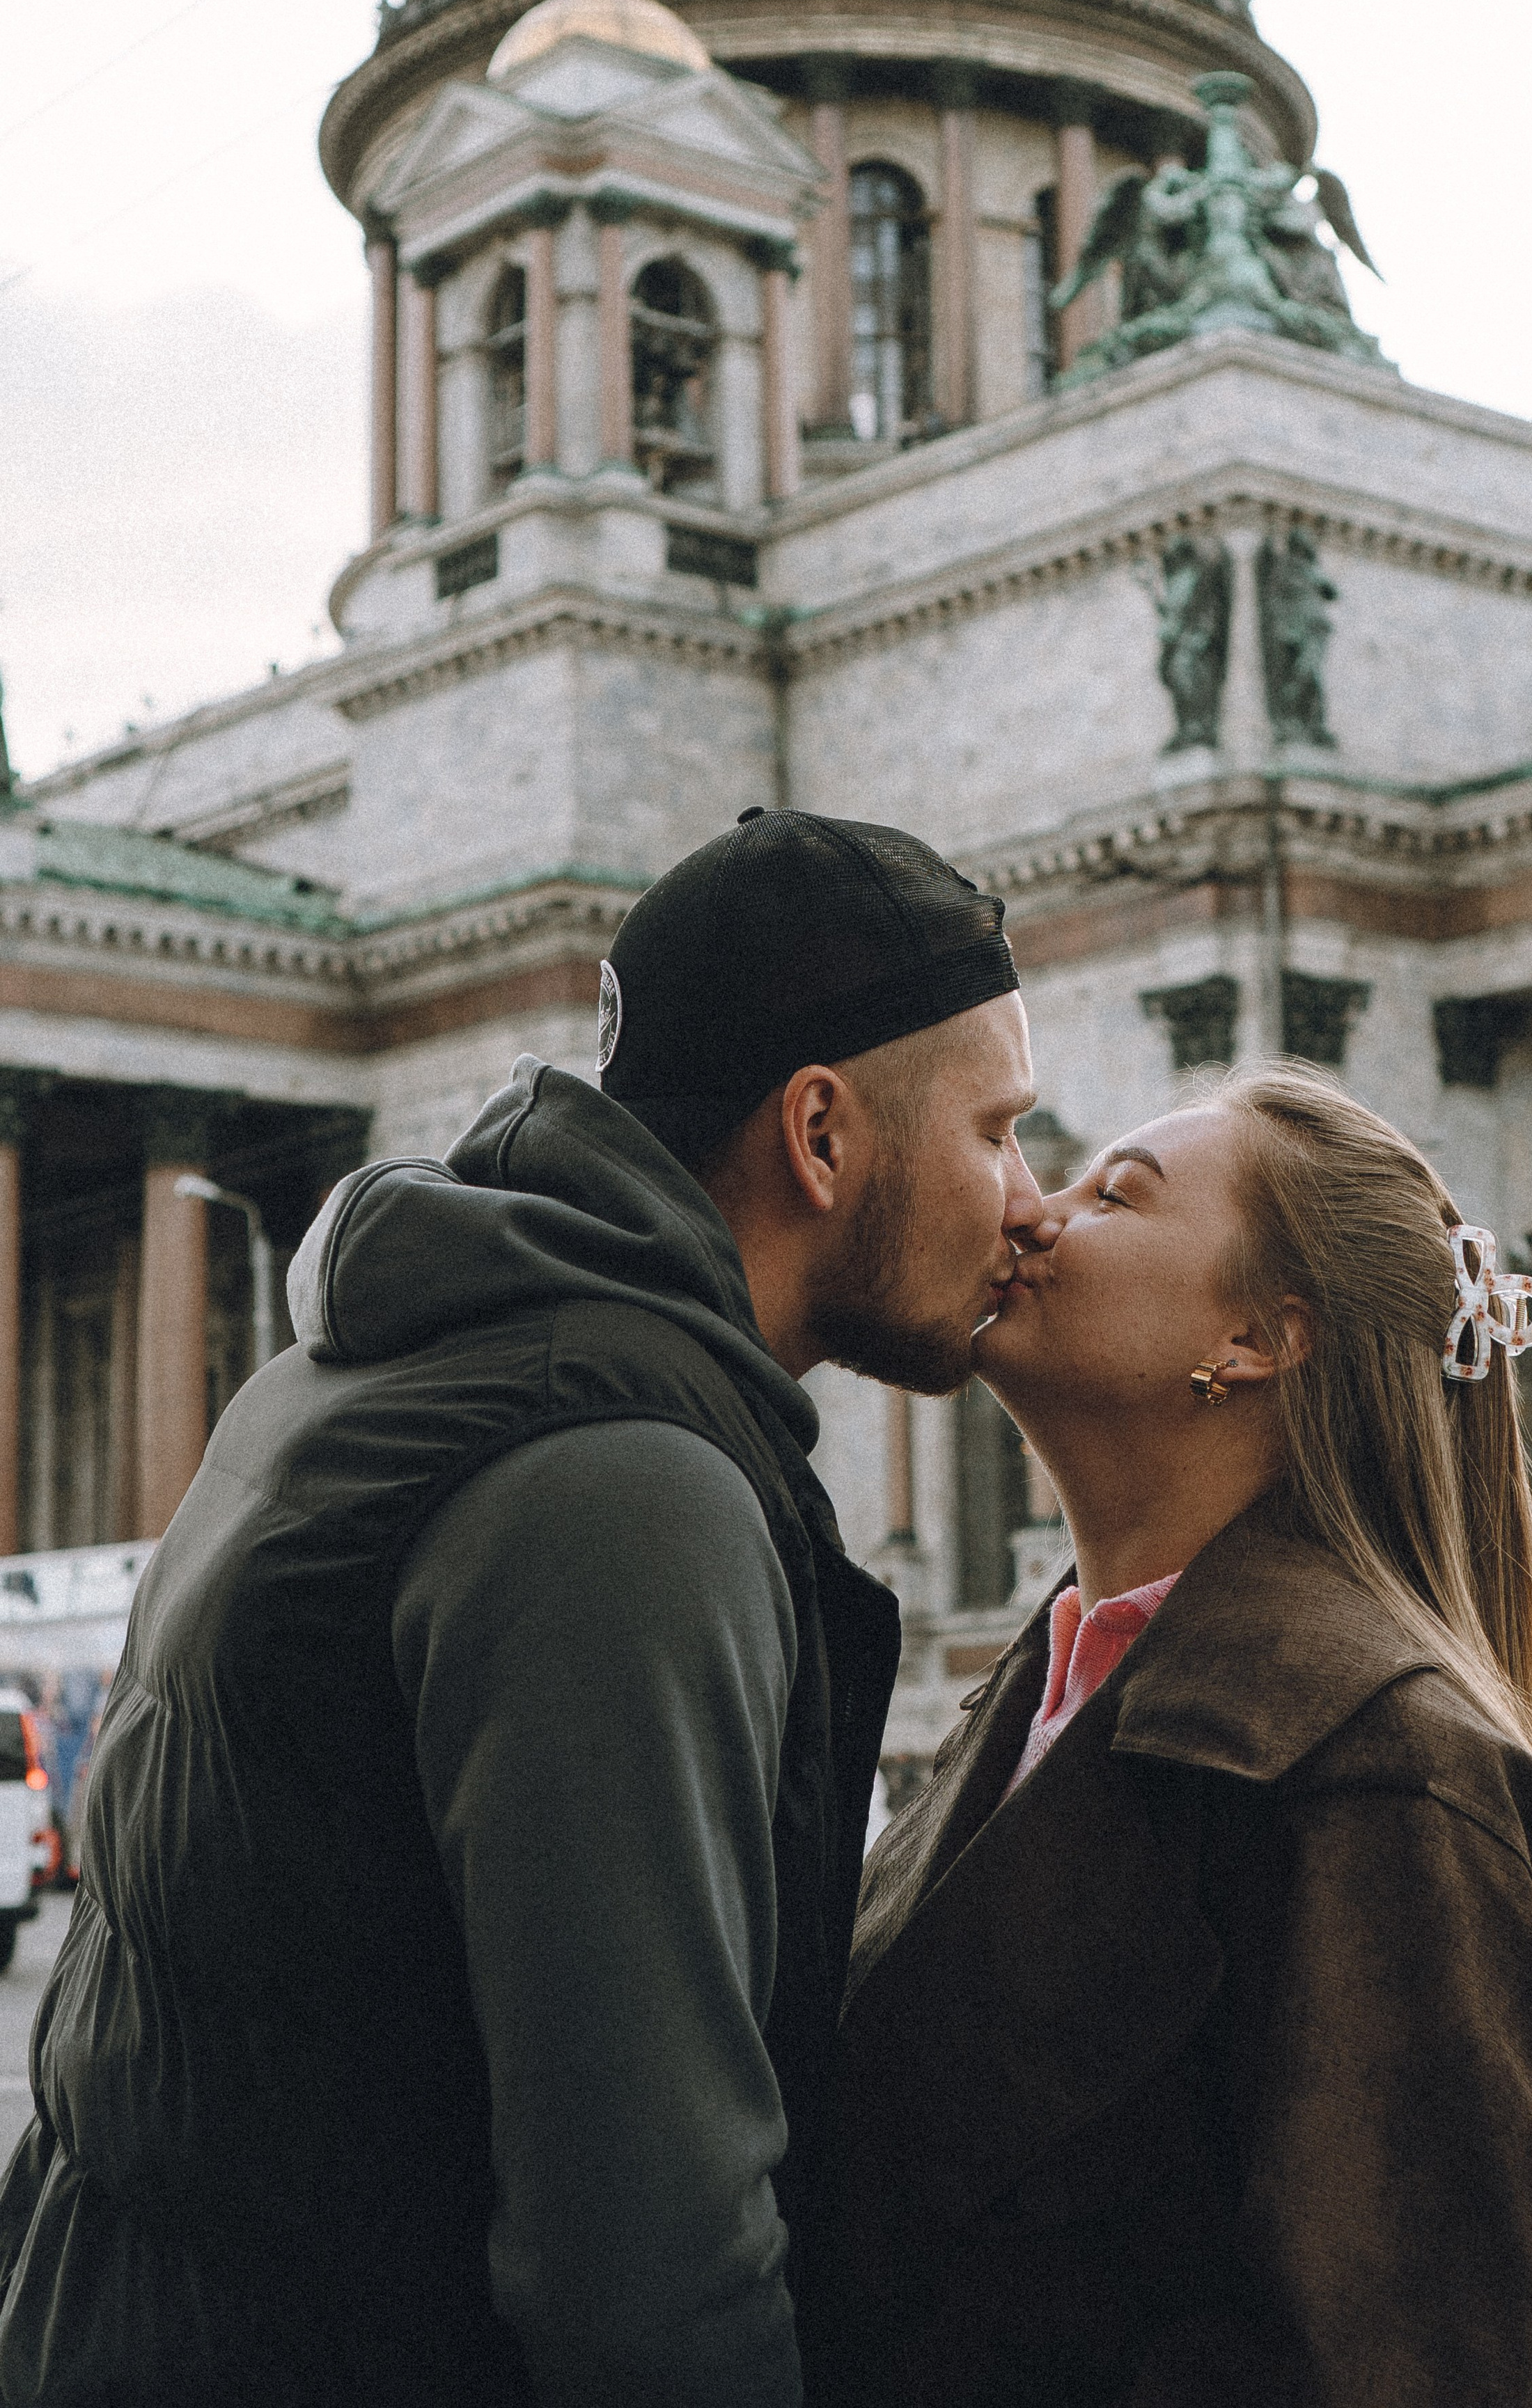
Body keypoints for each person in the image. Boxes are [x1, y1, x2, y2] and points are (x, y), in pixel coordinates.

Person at [0, 810, 1044, 2408]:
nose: (1029, 1201)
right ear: (821, 1135)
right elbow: (650, 2279)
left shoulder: (378, 1358)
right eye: (995, 1131)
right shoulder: (620, 1485)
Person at [804, 1064, 1532, 2408]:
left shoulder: (1384, 1774)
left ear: (1260, 1339)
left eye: (1118, 1192)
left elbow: (1393, 2356)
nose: (1035, 1212)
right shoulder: (1050, 1692)